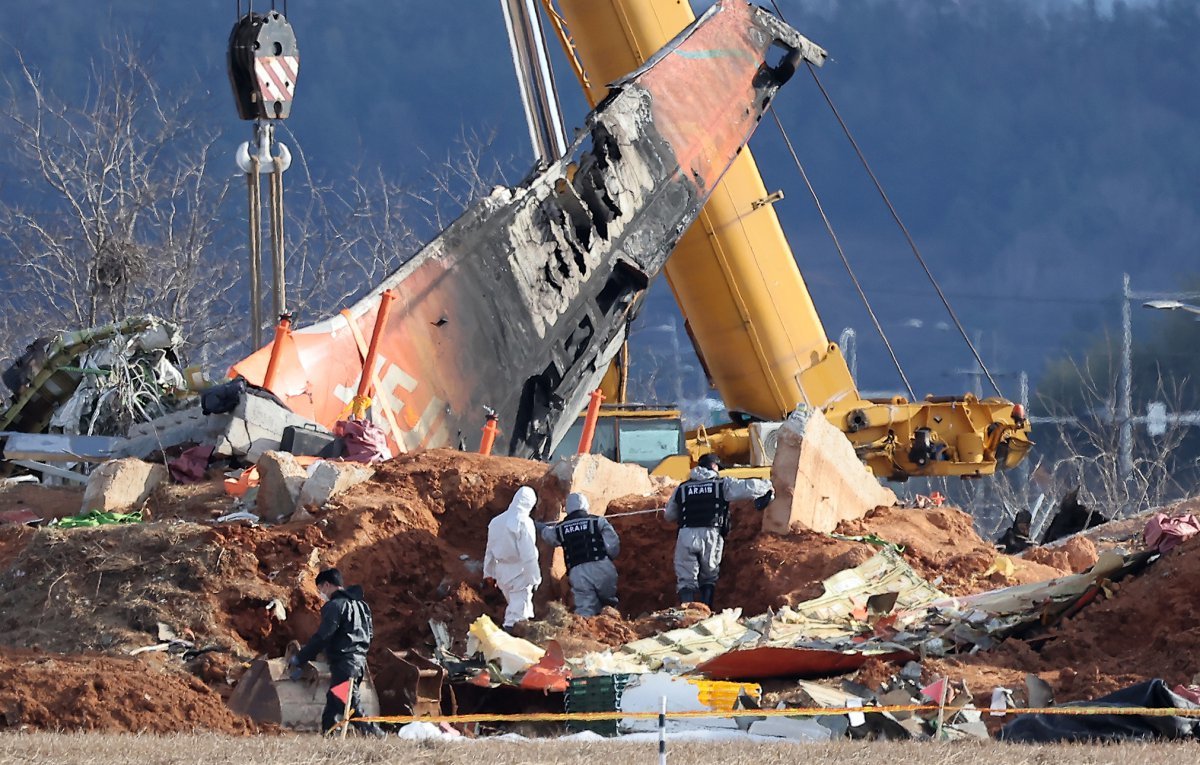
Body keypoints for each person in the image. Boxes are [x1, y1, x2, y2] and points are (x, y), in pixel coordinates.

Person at [664, 453, 773, 607]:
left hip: (686, 534)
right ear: (714, 467)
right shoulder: (721, 484)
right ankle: (706, 611)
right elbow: (749, 487)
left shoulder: (682, 488)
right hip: (711, 533)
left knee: (686, 578)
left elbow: (669, 515)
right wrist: (768, 485)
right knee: (709, 576)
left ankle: (686, 612)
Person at [290, 568, 384, 737]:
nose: (321, 594)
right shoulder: (362, 606)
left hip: (344, 665)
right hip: (359, 662)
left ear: (327, 585)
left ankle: (376, 734)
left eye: (320, 589)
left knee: (349, 705)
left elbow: (323, 636)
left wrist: (301, 658)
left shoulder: (334, 606)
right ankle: (329, 735)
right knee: (335, 704)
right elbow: (369, 634)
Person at [536, 492, 620, 617]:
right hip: (602, 566)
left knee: (586, 608)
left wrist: (538, 526)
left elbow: (549, 536)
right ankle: (610, 625)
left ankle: (586, 632)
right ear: (585, 506)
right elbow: (613, 544)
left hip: (578, 571)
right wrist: (609, 559)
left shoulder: (561, 528)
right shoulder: (598, 521)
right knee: (609, 602)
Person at [484, 485, 542, 628]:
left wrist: (488, 573)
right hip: (519, 573)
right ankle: (509, 639)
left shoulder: (496, 521)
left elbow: (489, 550)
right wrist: (535, 579)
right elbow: (529, 555)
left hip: (501, 572)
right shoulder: (524, 522)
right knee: (518, 615)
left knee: (515, 607)